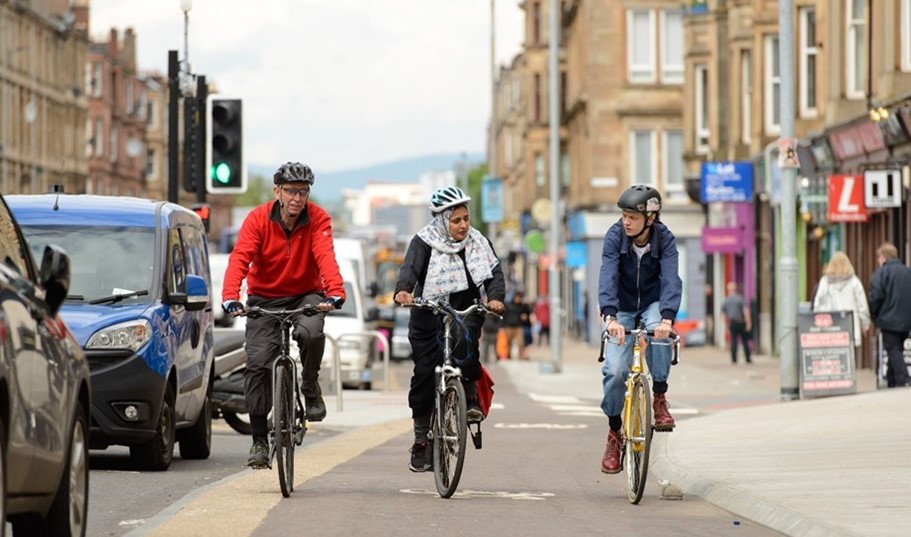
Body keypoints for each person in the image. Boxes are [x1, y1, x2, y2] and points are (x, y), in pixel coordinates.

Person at [222, 162, 346, 469]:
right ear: (277, 191)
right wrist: (230, 297)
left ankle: (310, 384)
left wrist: (335, 291)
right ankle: (259, 440)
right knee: (258, 364)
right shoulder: (258, 219)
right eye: (291, 191)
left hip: (307, 294)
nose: (297, 198)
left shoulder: (318, 218)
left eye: (303, 192)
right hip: (264, 298)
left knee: (310, 333)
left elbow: (325, 254)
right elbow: (240, 257)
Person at [394, 186, 506, 472]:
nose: (463, 225)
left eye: (466, 218)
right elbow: (409, 269)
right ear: (443, 220)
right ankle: (421, 439)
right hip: (427, 309)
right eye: (456, 221)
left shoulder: (479, 242)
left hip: (464, 307)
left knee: (464, 344)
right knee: (423, 374)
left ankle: (468, 394)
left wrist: (494, 298)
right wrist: (404, 291)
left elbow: (494, 274)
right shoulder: (423, 241)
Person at [597, 184, 681, 474]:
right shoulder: (614, 236)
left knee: (659, 332)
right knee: (615, 371)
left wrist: (668, 319)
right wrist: (610, 318)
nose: (626, 221)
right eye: (623, 215)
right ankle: (614, 432)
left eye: (632, 216)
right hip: (620, 307)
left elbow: (671, 279)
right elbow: (607, 276)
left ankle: (659, 396)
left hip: (653, 302)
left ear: (651, 218)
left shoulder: (665, 239)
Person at [812, 251, 871, 358]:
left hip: (830, 324)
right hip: (850, 324)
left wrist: (818, 321)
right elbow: (862, 305)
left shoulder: (825, 282)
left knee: (833, 356)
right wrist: (865, 324)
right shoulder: (854, 281)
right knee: (848, 357)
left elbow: (818, 303)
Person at [869, 242, 911, 388]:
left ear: (883, 257)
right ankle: (892, 381)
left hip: (888, 320)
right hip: (906, 320)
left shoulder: (882, 273)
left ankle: (903, 378)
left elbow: (875, 296)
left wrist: (874, 316)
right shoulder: (907, 272)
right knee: (897, 349)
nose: (878, 261)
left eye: (878, 257)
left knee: (893, 350)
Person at [722, 281, 752, 364]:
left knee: (733, 341)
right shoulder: (740, 298)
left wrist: (726, 326)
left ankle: (734, 359)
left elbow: (724, 314)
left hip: (732, 323)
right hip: (740, 322)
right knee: (744, 341)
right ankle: (748, 358)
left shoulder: (726, 300)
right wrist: (748, 322)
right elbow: (745, 311)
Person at [502, 290, 532, 360]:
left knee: (521, 342)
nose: (518, 299)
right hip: (509, 326)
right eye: (517, 297)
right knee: (508, 342)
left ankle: (521, 356)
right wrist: (502, 326)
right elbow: (504, 316)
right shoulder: (508, 305)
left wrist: (525, 315)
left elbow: (528, 313)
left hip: (518, 326)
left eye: (520, 298)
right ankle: (508, 356)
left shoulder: (522, 306)